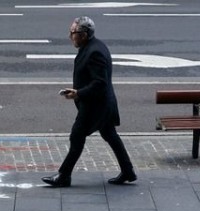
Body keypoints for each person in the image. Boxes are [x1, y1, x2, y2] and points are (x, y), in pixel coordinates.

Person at [43, 16, 137, 188]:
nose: (70, 36)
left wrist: (78, 93)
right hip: (100, 104)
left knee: (77, 136)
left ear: (84, 34)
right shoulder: (92, 47)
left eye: (73, 32)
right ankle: (128, 171)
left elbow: (100, 83)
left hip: (96, 106)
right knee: (110, 135)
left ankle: (64, 175)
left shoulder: (95, 52)